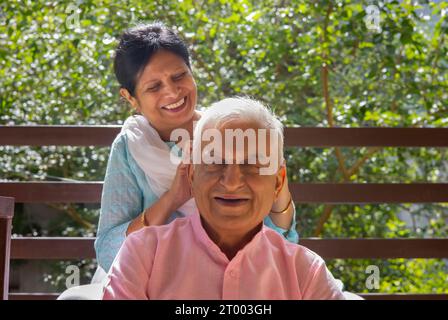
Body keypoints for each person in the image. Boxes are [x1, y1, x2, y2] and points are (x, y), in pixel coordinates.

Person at [94, 22, 298, 274]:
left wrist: (278, 184)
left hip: (239, 272)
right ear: (130, 97)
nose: (172, 92)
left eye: (179, 76)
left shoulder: (227, 131)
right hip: (156, 278)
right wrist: (171, 199)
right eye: (154, 87)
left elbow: (284, 240)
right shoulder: (131, 145)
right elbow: (108, 251)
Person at [103, 97, 345, 300]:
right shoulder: (144, 255)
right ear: (192, 174)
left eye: (252, 163)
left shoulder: (305, 272)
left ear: (278, 182)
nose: (231, 181)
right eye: (215, 161)